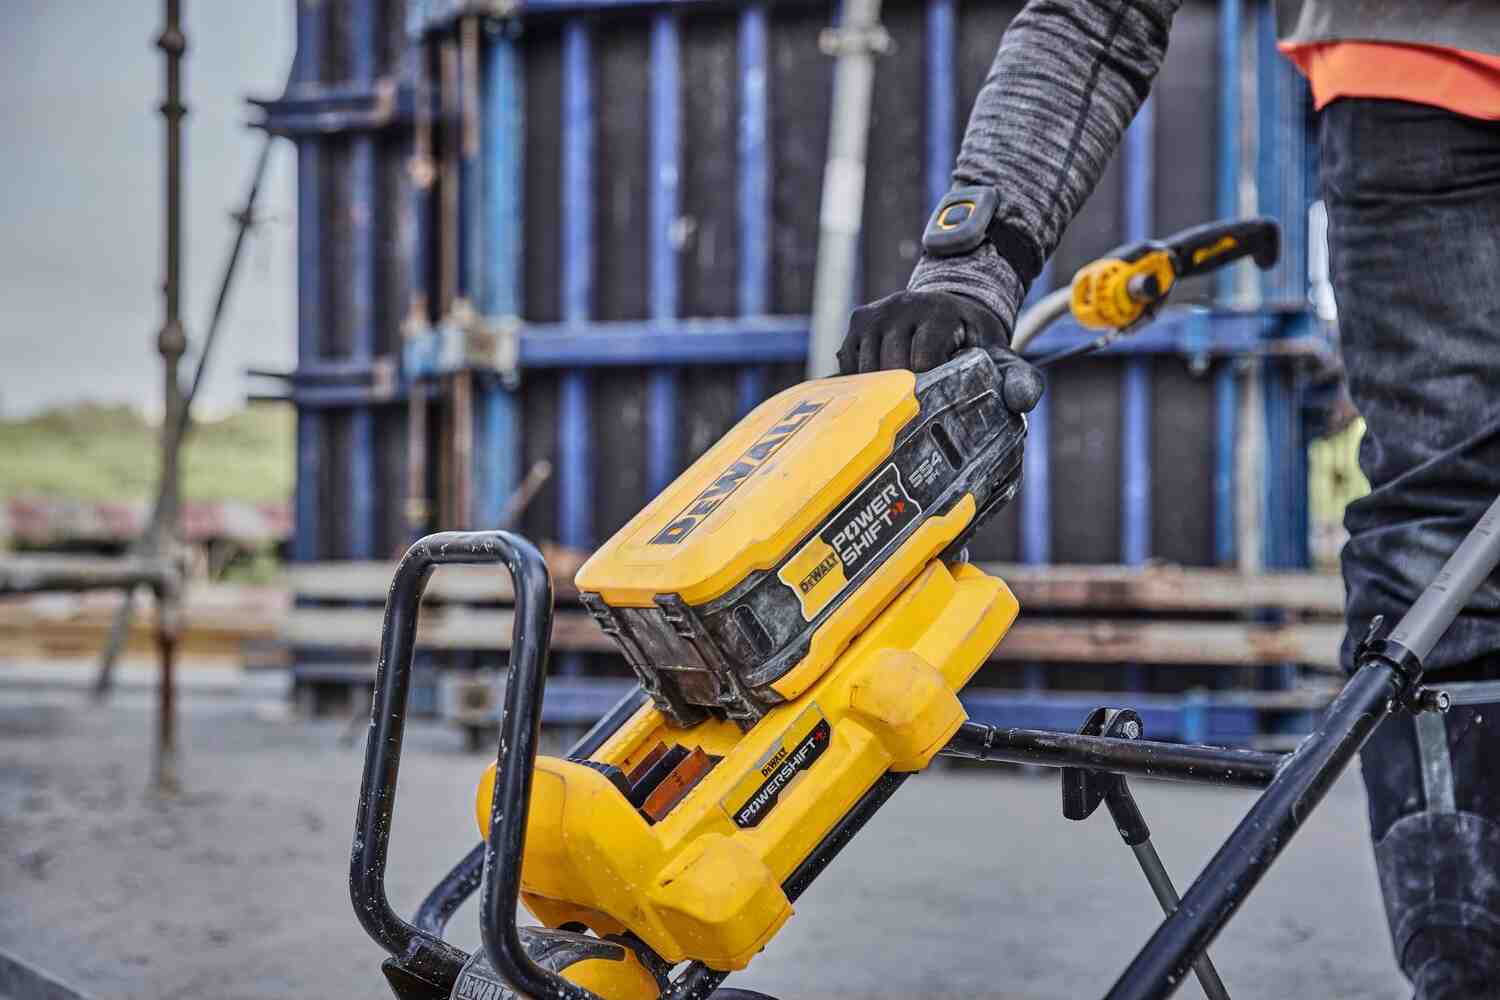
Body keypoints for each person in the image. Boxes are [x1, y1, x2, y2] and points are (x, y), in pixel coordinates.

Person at [837, 2, 1500, 996]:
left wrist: (972, 267)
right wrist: (972, 265)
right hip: (1422, 80)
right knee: (1444, 556)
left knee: (1443, 548)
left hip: (1413, 81)